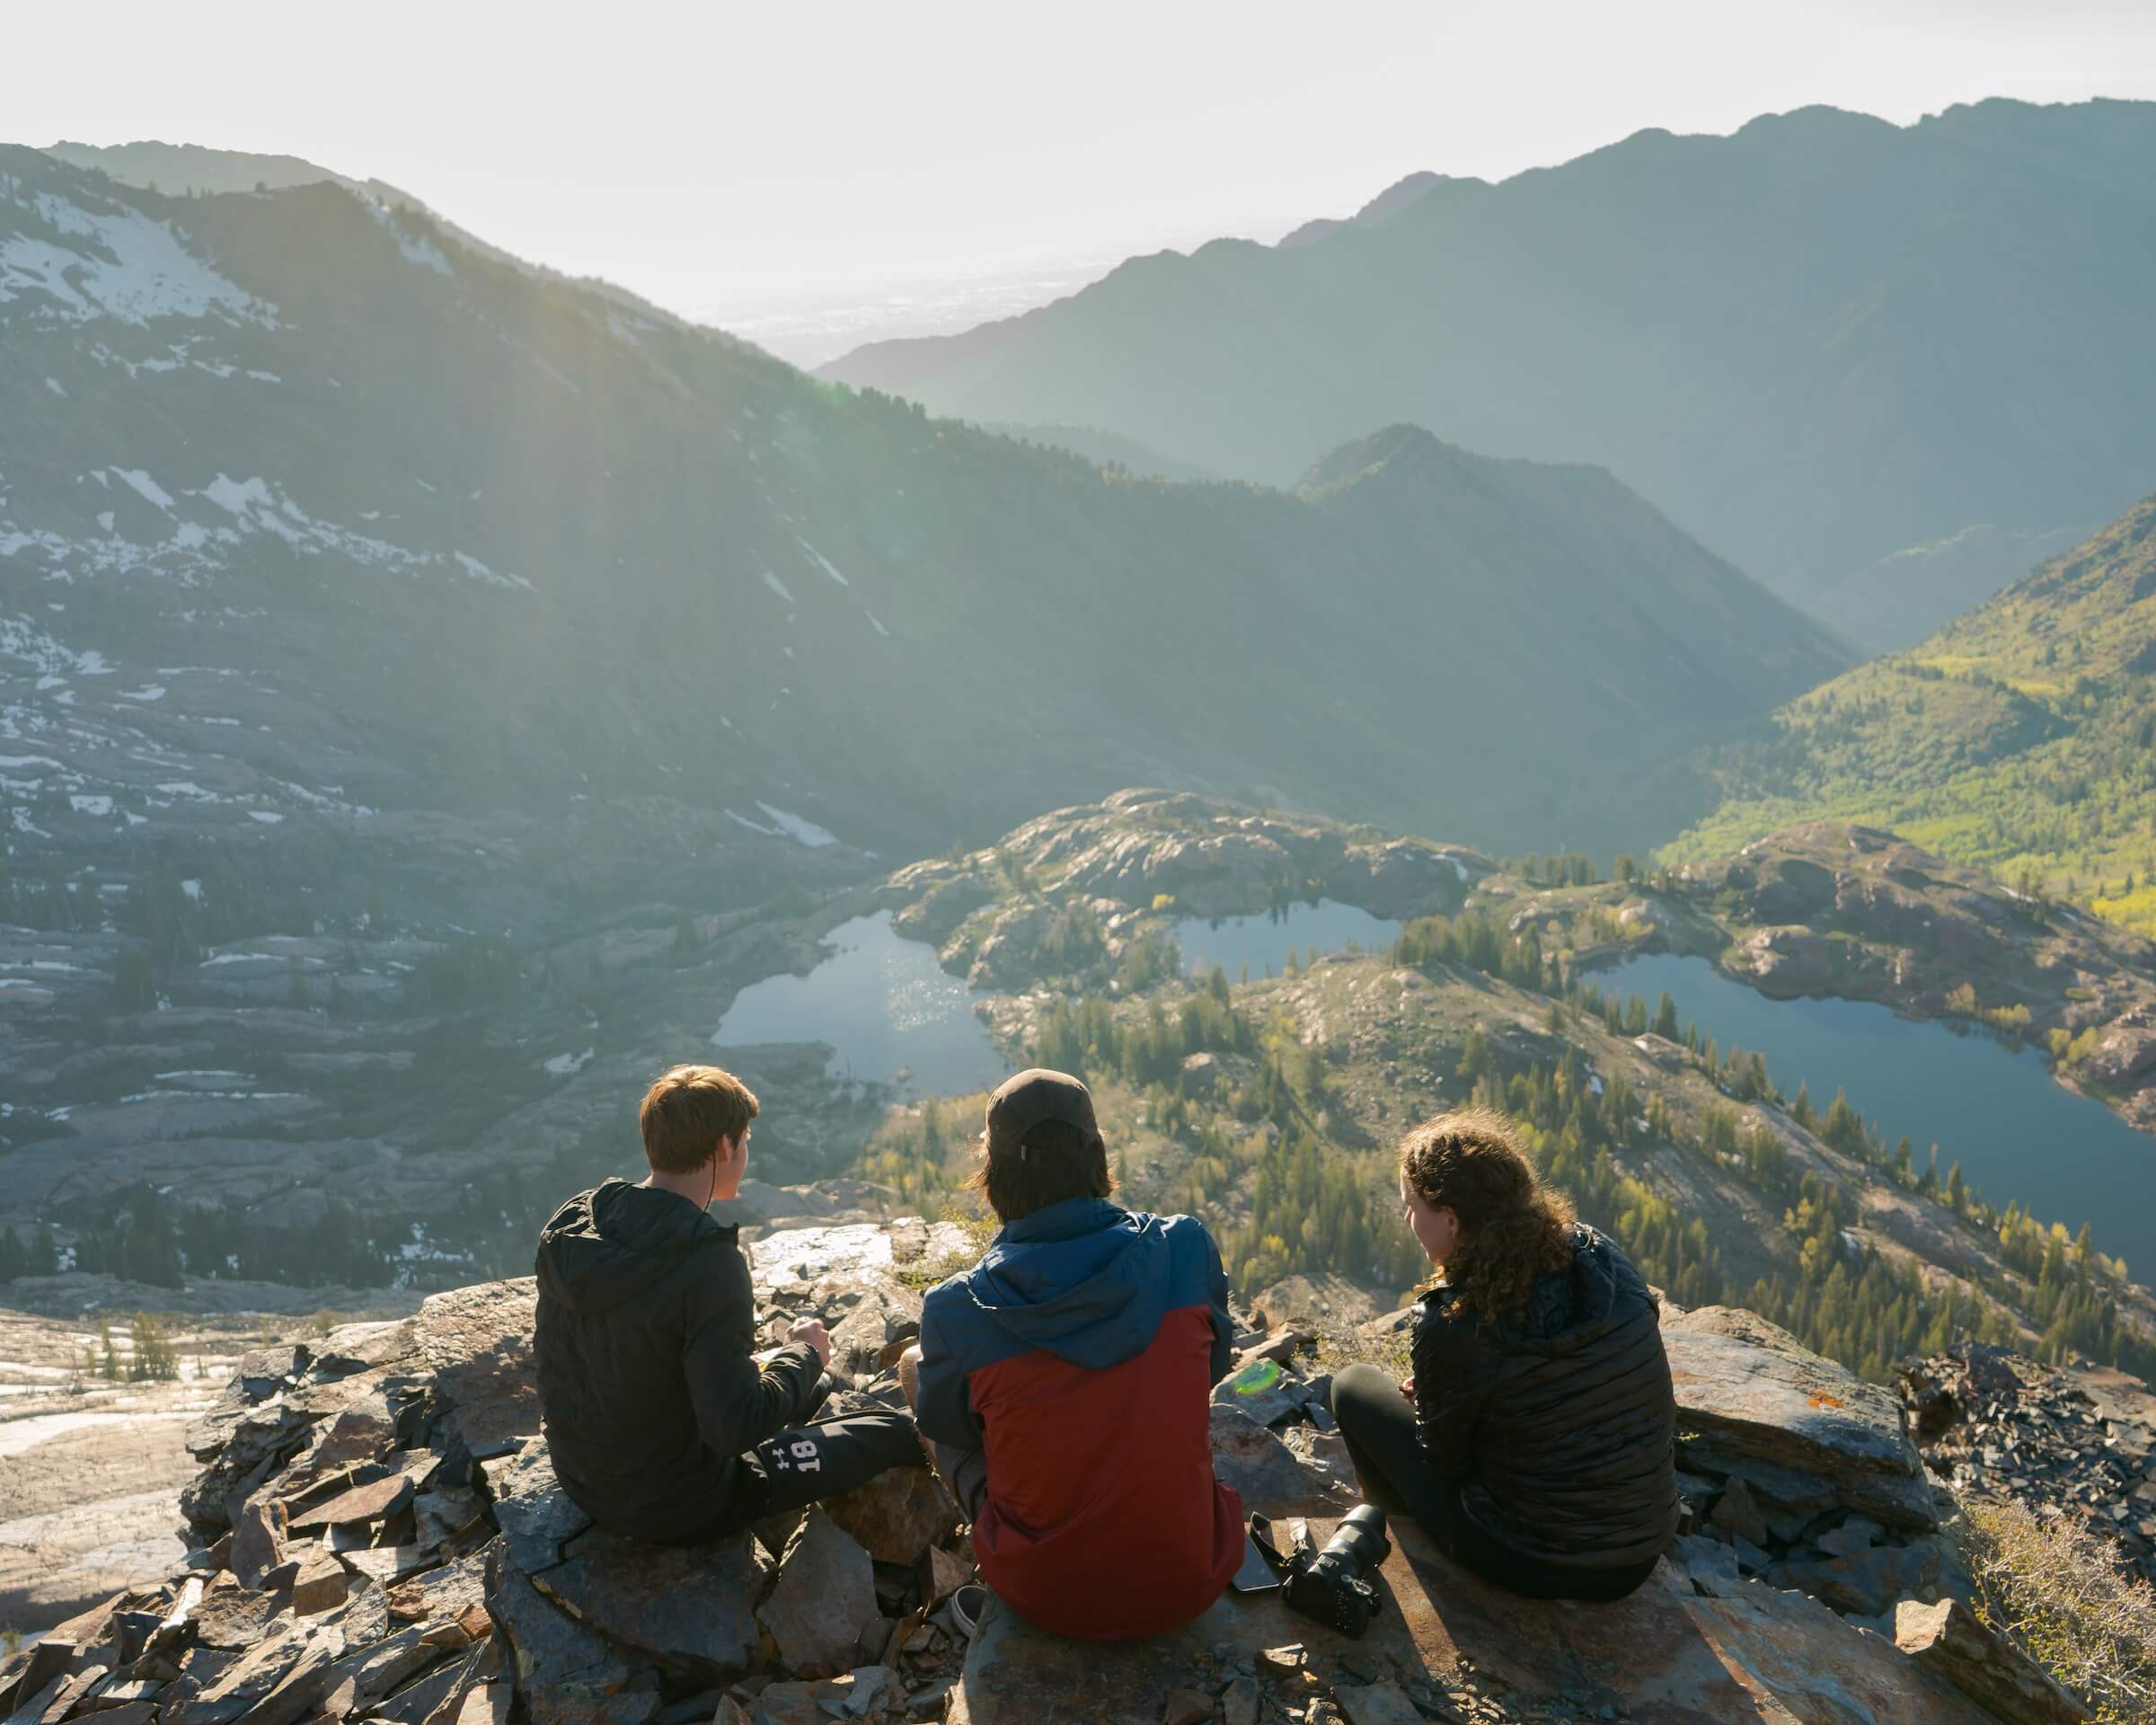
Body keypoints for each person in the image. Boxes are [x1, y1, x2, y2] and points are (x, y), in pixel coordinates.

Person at [902, 1068, 1242, 1640]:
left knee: (915, 1366)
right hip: (1189, 1581)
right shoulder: (1183, 1246)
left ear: (995, 1173)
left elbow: (954, 1429)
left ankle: (1014, 1546)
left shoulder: (958, 1308)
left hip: (1046, 1597)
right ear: (1096, 1154)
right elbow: (1210, 1369)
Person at [534, 1063, 923, 1544]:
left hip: (581, 1478)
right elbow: (734, 1428)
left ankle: (818, 1383)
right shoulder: (707, 1264)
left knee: (808, 1386)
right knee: (888, 1431)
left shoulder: (580, 1220)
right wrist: (804, 1354)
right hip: (677, 1504)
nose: (745, 1153)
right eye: (745, 1140)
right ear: (723, 1146)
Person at [1330, 1105, 1676, 1601]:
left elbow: (1445, 1462)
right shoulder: (1598, 1258)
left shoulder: (1455, 1322)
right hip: (1639, 1554)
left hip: (1540, 1562)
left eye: (1411, 1205)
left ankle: (1406, 1546)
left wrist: (1436, 1402)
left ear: (1450, 1220)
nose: (1406, 1217)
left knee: (1353, 1386)